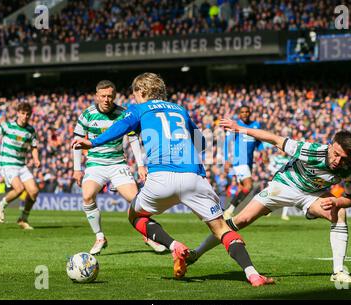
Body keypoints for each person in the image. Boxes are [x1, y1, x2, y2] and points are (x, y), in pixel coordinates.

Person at [72, 73, 273, 286]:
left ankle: (174, 245)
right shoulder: (179, 109)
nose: (135, 98)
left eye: (135, 94)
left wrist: (93, 143)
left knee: (134, 215)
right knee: (222, 229)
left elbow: (120, 127)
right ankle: (253, 274)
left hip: (161, 178)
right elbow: (202, 144)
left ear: (141, 92)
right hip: (194, 177)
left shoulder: (139, 108)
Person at [188, 119, 351, 284]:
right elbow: (274, 139)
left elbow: (350, 199)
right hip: (284, 186)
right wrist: (241, 129)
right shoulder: (311, 150)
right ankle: (196, 253)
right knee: (241, 220)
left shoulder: (350, 169)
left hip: (312, 195)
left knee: (339, 213)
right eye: (336, 154)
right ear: (330, 146)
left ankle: (338, 271)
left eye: (344, 158)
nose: (338, 161)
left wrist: (337, 202)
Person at [73, 80, 166, 255]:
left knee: (137, 201)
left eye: (110, 96)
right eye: (103, 96)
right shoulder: (87, 115)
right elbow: (76, 142)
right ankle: (100, 237)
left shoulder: (124, 113)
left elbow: (133, 139)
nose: (106, 99)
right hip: (95, 164)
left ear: (114, 96)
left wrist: (140, 165)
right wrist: (77, 168)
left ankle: (148, 236)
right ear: (97, 96)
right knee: (87, 196)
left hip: (117, 164)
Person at [0, 102, 40, 230]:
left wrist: (36, 158)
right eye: (23, 113)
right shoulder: (7, 126)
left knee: (34, 191)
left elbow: (34, 146)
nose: (25, 116)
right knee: (19, 189)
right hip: (7, 163)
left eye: (28, 114)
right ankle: (1, 205)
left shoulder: (31, 130)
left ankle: (23, 219)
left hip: (21, 164)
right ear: (18, 113)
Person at [223, 106, 262, 219]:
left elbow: (258, 141)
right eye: (242, 112)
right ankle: (229, 211)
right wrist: (226, 159)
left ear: (250, 113)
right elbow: (226, 143)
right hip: (239, 160)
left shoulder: (256, 125)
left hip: (249, 161)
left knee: (242, 187)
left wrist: (262, 150)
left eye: (246, 112)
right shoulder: (235, 126)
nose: (245, 114)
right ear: (239, 114)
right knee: (248, 185)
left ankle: (229, 211)